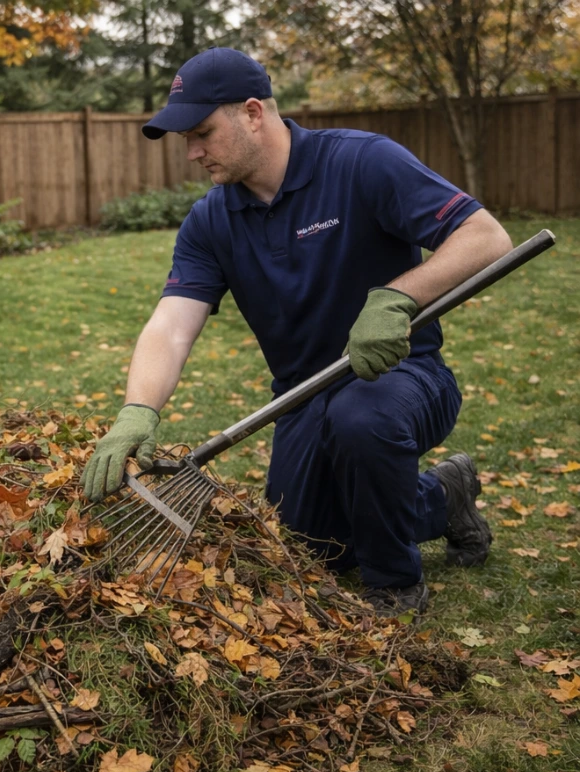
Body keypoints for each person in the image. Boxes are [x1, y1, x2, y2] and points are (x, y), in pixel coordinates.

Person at [80, 47, 512, 614]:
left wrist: (399, 298)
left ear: (253, 113)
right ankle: (444, 496)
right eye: (186, 138)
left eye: (202, 132)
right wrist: (138, 409)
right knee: (312, 548)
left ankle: (394, 586)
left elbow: (486, 237)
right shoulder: (212, 220)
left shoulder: (360, 162)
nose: (191, 152)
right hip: (303, 398)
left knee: (361, 418)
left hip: (405, 377)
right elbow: (172, 325)